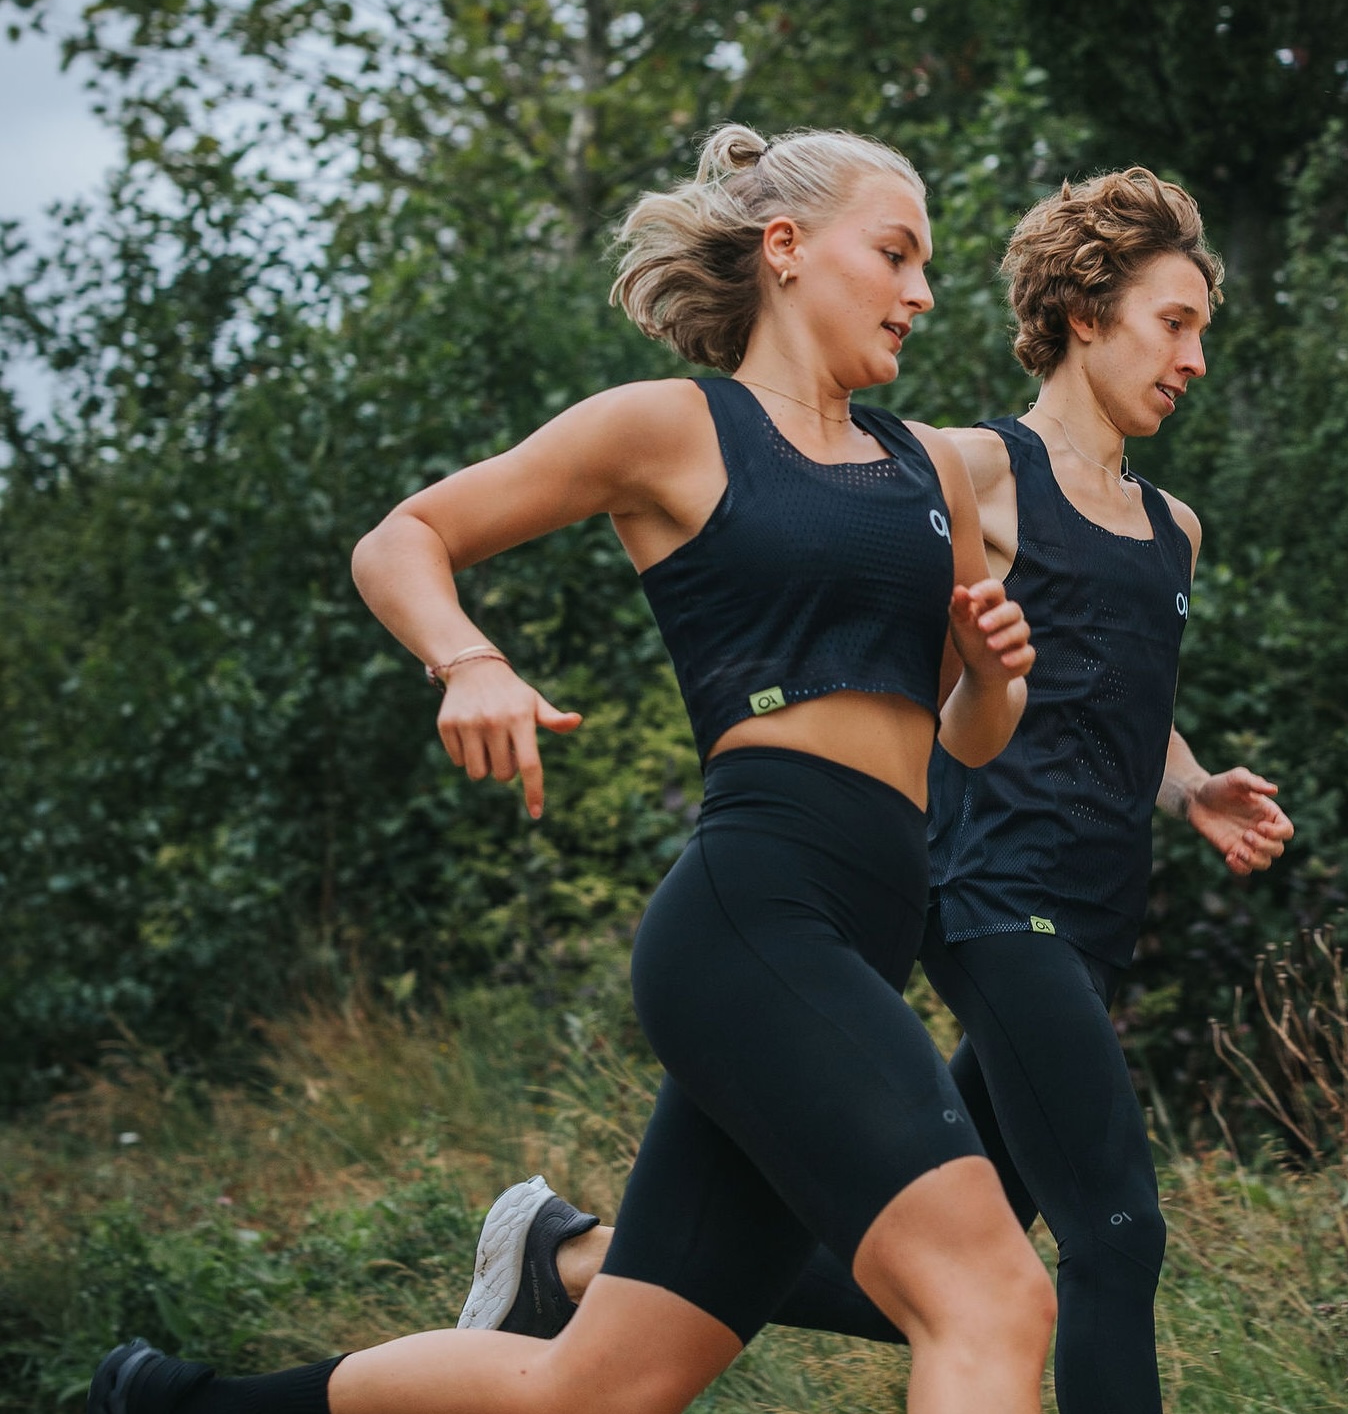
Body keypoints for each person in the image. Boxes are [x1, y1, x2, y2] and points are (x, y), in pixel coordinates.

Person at [87, 125, 1056, 1414]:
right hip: (756, 918)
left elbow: (970, 738)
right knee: (992, 1296)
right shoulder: (673, 428)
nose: (923, 292)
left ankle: (170, 1401)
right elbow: (406, 537)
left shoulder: (924, 463)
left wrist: (991, 674)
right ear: (785, 251)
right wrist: (467, 663)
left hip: (862, 921)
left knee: (595, 1393)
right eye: (896, 254)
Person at [456, 168, 1295, 1414]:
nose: (1195, 359)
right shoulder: (963, 465)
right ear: (1085, 312)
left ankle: (565, 1259)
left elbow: (1104, 691)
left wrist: (1186, 789)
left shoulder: (1171, 528)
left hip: (1037, 913)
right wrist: (475, 658)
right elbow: (920, 654)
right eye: (1175, 324)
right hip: (986, 903)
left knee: (912, 1269)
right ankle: (572, 1258)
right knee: (1095, 1244)